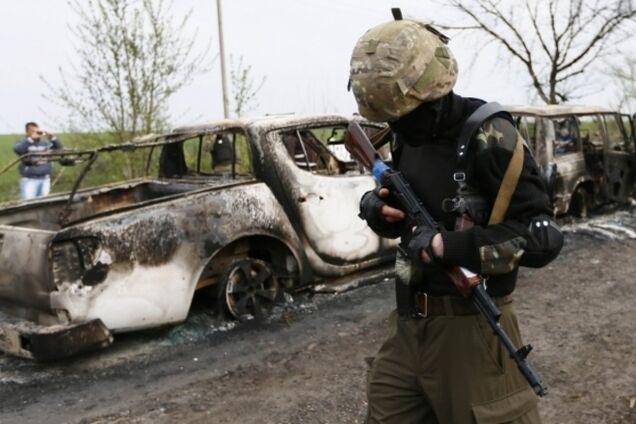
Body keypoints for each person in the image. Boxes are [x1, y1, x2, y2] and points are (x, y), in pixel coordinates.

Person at [349, 13, 563, 424]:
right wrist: (376, 209)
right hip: (408, 326)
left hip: (472, 332)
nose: (397, 125)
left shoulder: (491, 134)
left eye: (404, 113)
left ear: (433, 91)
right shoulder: (406, 131)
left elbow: (542, 238)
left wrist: (450, 247)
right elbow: (398, 202)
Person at [13, 122, 63, 199]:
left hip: (45, 179)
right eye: (32, 131)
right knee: (28, 203)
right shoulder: (23, 142)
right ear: (27, 132)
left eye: (37, 131)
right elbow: (18, 150)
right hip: (29, 180)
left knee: (44, 203)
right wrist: (30, 140)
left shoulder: (45, 143)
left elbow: (59, 149)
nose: (36, 133)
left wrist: (52, 138)